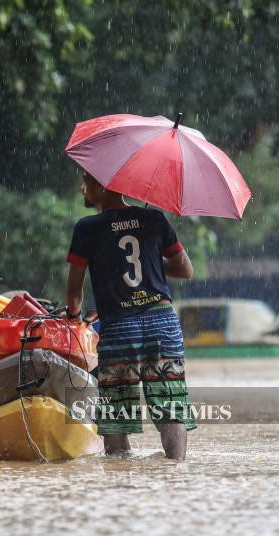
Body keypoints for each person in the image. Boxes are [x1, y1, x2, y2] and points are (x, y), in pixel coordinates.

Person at [65, 171, 195, 460]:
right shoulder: (154, 220)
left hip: (120, 327)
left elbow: (74, 292)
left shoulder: (87, 228)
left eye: (86, 181)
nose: (82, 187)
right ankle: (176, 471)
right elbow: (185, 269)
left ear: (102, 185)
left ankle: (120, 480)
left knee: (115, 411)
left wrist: (74, 316)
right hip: (162, 323)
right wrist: (152, 262)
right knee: (170, 404)